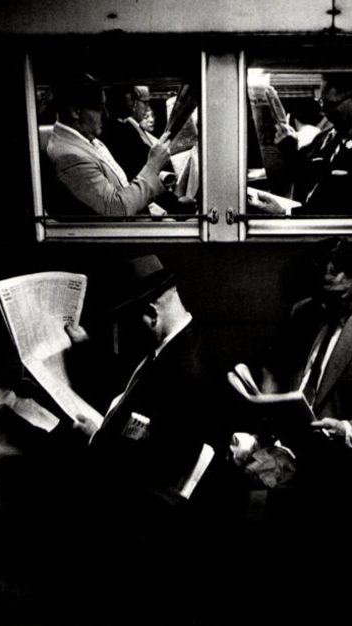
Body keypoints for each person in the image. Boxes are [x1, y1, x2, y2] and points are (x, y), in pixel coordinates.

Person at [229, 237, 352, 624]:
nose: (327, 305)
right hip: (296, 476)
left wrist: (349, 428)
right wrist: (264, 422)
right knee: (292, 592)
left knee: (342, 595)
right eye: (321, 294)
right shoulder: (307, 310)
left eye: (335, 294)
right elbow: (276, 365)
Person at [66, 255, 233, 624]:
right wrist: (84, 349)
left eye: (135, 319)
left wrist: (98, 439)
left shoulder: (188, 371)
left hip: (159, 528)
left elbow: (160, 460)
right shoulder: (178, 345)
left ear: (151, 314)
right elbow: (131, 389)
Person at [252, 73, 352, 215]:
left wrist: (285, 213)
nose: (323, 111)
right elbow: (315, 172)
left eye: (329, 104)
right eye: (321, 102)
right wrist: (291, 149)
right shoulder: (344, 127)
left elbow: (344, 209)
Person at [46, 74, 171, 217]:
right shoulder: (70, 156)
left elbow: (122, 186)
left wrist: (159, 212)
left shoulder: (86, 139)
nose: (105, 114)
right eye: (99, 107)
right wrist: (153, 165)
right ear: (75, 112)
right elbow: (116, 209)